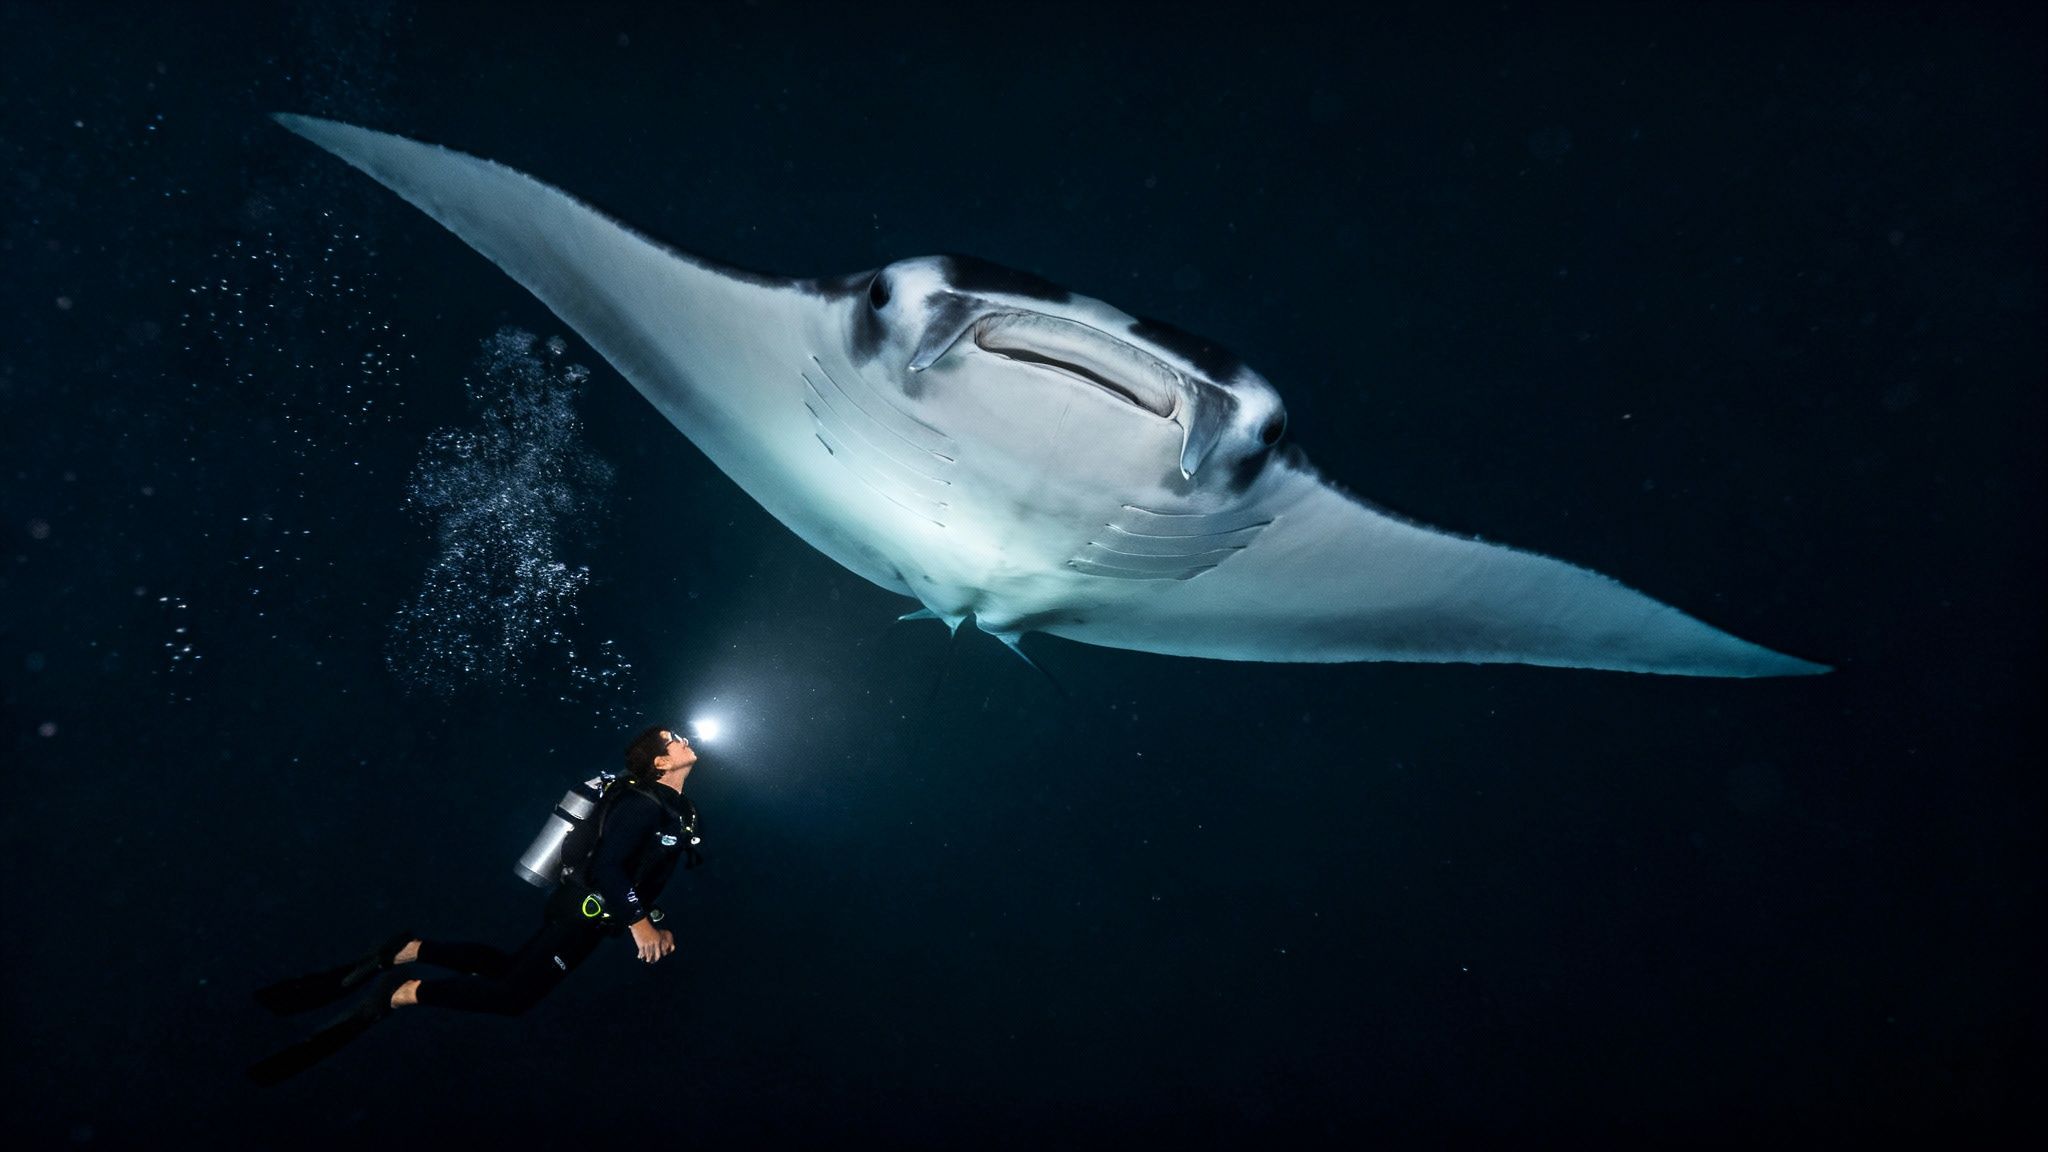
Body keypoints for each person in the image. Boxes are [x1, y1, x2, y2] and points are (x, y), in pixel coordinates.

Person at [248, 725, 703, 1084]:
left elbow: (638, 872)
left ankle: (411, 949)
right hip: (582, 915)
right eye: (672, 740)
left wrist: (651, 919)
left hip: (584, 912)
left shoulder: (668, 807)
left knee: (508, 970)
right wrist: (640, 925)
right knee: (512, 997)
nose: (682, 739)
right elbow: (609, 867)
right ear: (661, 762)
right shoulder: (644, 804)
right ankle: (402, 993)